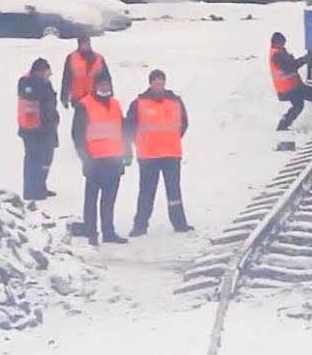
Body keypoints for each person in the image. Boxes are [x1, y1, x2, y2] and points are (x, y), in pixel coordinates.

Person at [125, 69, 193, 235]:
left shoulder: (176, 102)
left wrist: (172, 139)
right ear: (150, 84)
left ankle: (179, 224)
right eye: (156, 83)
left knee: (174, 192)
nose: (159, 86)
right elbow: (129, 127)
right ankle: (140, 225)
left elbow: (183, 124)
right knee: (146, 193)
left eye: (161, 83)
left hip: (171, 154)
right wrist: (140, 142)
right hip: (149, 155)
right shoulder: (139, 103)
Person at [71, 75, 130, 245]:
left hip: (114, 159)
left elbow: (123, 130)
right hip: (94, 160)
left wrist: (127, 152)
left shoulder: (115, 104)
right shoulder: (85, 105)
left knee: (109, 199)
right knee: (91, 199)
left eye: (107, 84)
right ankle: (91, 233)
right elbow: (78, 135)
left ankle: (108, 231)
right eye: (102, 84)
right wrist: (85, 158)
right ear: (95, 86)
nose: (105, 87)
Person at [17, 58, 59, 201]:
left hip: (46, 127)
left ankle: (41, 186)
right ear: (39, 72)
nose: (49, 76)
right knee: (33, 159)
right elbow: (35, 99)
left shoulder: (44, 83)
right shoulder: (26, 82)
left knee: (45, 159)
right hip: (32, 129)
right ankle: (30, 190)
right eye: (47, 73)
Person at [269, 32, 312, 132]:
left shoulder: (280, 52)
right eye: (282, 43)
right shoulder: (276, 55)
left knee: (307, 101)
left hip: (293, 86)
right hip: (288, 88)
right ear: (276, 42)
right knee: (304, 102)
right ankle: (282, 128)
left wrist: (303, 59)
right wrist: (304, 60)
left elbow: (291, 65)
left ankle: (283, 126)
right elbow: (290, 67)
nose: (284, 44)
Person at [60, 36, 109, 110]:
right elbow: (66, 78)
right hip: (78, 98)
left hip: (94, 97)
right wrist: (64, 96)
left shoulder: (99, 58)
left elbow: (106, 78)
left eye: (87, 43)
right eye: (83, 43)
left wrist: (109, 95)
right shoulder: (72, 57)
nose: (85, 45)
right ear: (79, 44)